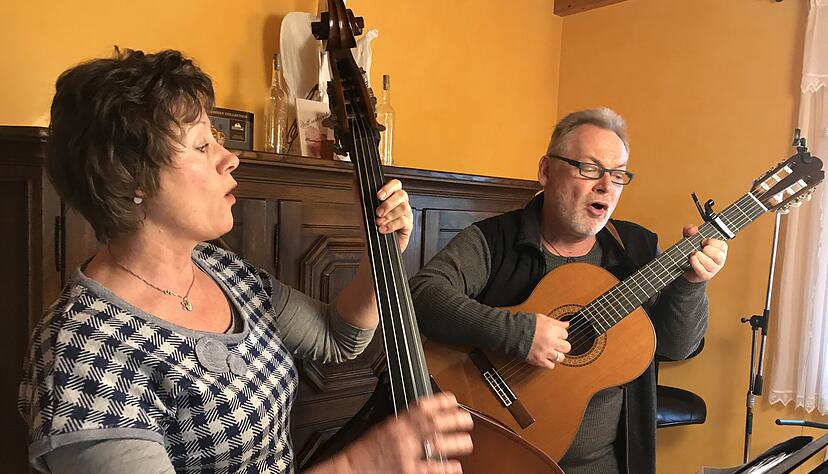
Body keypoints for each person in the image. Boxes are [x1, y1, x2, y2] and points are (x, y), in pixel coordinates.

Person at [18, 48, 473, 474]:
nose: (230, 158)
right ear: (129, 176)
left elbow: (337, 339)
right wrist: (359, 465)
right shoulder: (82, 351)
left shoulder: (222, 271)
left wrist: (382, 255)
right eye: (201, 146)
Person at [409, 107, 728, 474]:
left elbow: (676, 345)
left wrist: (691, 285)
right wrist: (518, 333)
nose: (606, 185)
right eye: (589, 168)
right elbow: (421, 295)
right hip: (498, 455)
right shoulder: (493, 240)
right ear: (545, 170)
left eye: (618, 174)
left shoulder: (637, 250)